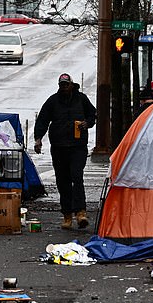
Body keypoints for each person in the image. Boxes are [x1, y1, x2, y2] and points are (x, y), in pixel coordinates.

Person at [33, 73, 97, 230]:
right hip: (59, 146)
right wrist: (38, 138)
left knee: (77, 177)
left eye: (66, 84)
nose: (64, 87)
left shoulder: (81, 99)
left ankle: (81, 213)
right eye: (62, 85)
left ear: (71, 84)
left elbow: (92, 115)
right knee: (63, 182)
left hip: (78, 146)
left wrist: (86, 123)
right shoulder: (53, 101)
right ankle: (67, 214)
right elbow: (42, 119)